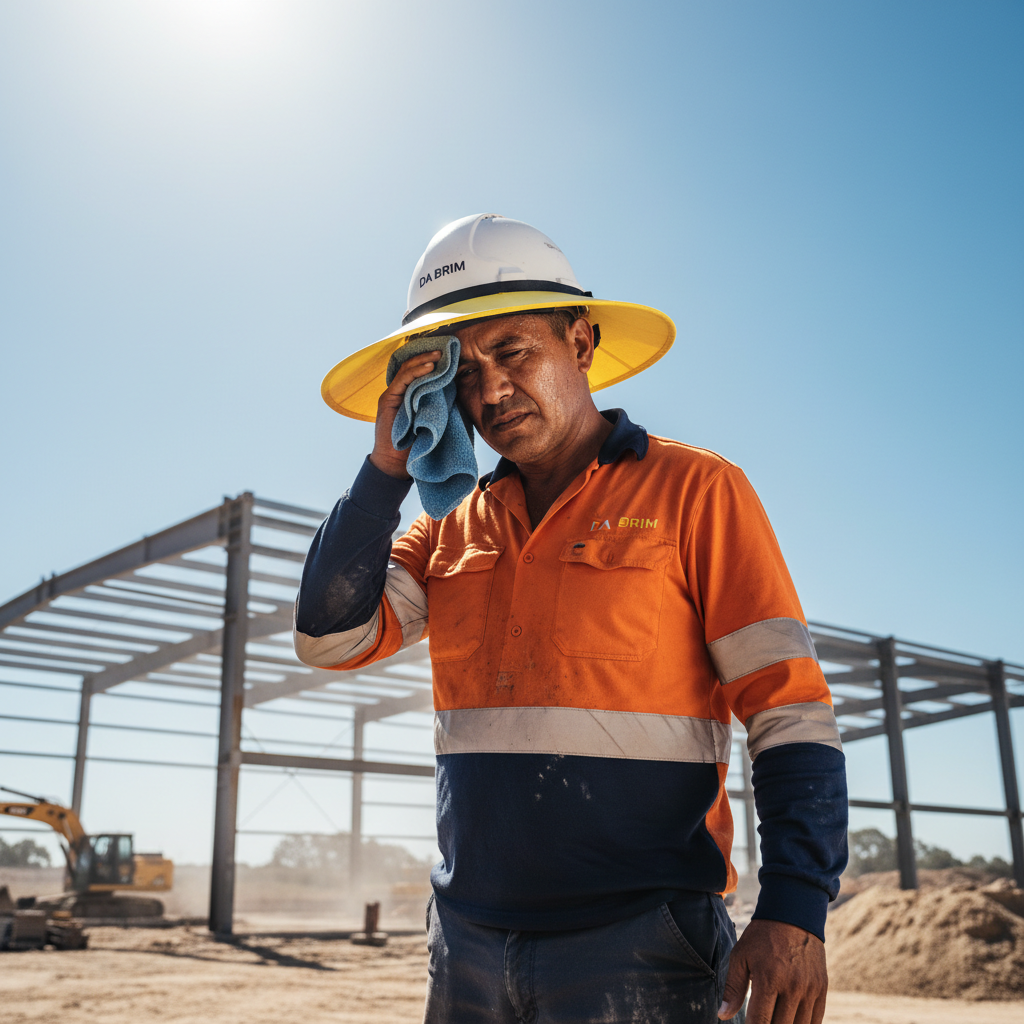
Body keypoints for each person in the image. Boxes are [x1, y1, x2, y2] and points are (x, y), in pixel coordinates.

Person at [294, 214, 848, 1024]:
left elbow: (788, 711)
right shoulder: (450, 529)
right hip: (467, 945)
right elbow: (329, 640)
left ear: (581, 342)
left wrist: (796, 908)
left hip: (643, 945)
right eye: (461, 372)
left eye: (513, 351)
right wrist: (386, 470)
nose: (488, 393)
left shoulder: (697, 493)